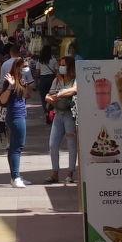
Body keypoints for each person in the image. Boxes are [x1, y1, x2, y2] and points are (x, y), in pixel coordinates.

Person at [0, 43, 37, 187]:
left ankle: (15, 176)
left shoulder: (21, 79)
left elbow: (27, 95)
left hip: (20, 113)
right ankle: (15, 177)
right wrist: (11, 86)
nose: (26, 69)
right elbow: (2, 100)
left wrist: (26, 82)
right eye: (24, 67)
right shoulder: (10, 80)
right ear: (18, 67)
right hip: (15, 115)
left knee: (16, 145)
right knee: (17, 146)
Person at [46, 55, 80, 184]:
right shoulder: (57, 80)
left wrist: (59, 94)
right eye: (61, 64)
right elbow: (49, 94)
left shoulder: (75, 79)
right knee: (53, 144)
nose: (61, 67)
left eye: (64, 64)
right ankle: (55, 172)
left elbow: (74, 90)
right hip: (58, 114)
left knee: (71, 144)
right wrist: (49, 98)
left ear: (70, 66)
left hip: (70, 114)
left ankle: (70, 172)